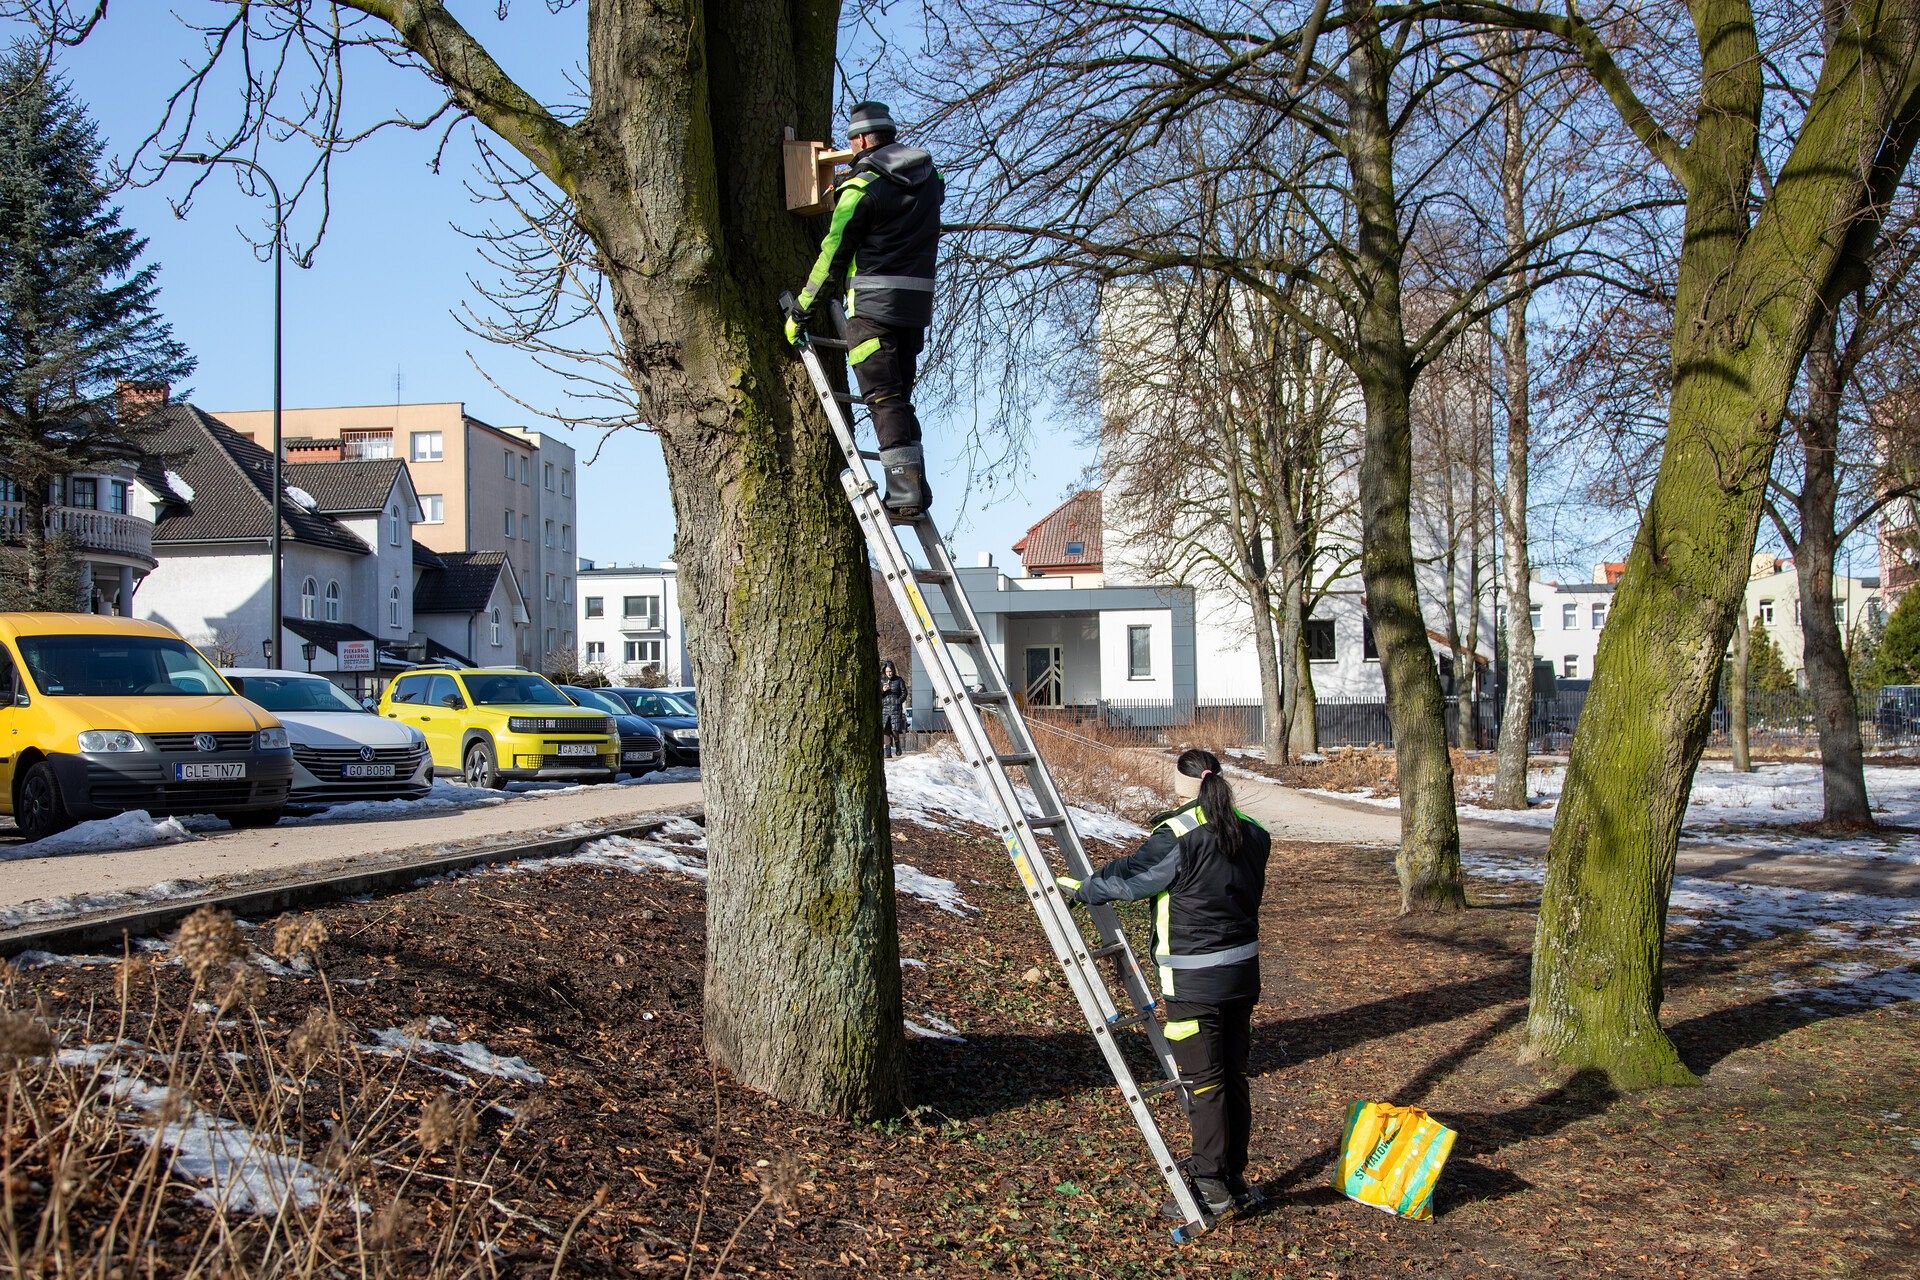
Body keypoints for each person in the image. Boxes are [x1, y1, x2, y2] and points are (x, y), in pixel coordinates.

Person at [1056, 748, 1271, 1219]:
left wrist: (1083, 889)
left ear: (1184, 782)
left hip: (1193, 983)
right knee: (1231, 1077)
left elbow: (1133, 881)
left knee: (1204, 1083)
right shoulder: (1254, 832)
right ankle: (1232, 1174)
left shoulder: (1177, 835)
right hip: (1241, 976)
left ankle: (1211, 1185)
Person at [785, 100, 945, 519]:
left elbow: (833, 253)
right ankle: (915, 488)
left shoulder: (861, 189)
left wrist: (803, 309)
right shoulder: (930, 180)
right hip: (915, 307)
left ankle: (906, 497)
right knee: (899, 397)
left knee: (883, 397)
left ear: (859, 140)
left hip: (873, 307)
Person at [879, 659, 908, 757]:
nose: (889, 673)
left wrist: (898, 701)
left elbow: (904, 692)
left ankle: (897, 745)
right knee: (886, 729)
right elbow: (878, 695)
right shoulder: (882, 680)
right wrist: (882, 690)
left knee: (895, 729)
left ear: (893, 670)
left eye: (890, 671)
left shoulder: (899, 680)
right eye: (887, 671)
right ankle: (887, 751)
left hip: (896, 708)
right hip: (885, 708)